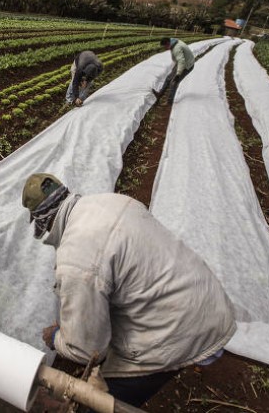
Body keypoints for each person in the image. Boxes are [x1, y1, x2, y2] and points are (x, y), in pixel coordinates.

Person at [21, 173, 236, 408]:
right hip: (208, 302)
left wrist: (56, 338)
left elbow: (87, 351)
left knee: (98, 402)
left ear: (44, 221)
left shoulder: (76, 259)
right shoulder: (109, 201)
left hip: (179, 331)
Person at [156, 37, 195, 104]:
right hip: (182, 62)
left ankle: (169, 102)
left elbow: (181, 61)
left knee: (173, 82)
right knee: (169, 78)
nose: (164, 48)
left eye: (164, 46)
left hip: (187, 65)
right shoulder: (173, 42)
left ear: (168, 43)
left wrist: (178, 74)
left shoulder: (176, 48)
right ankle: (160, 94)